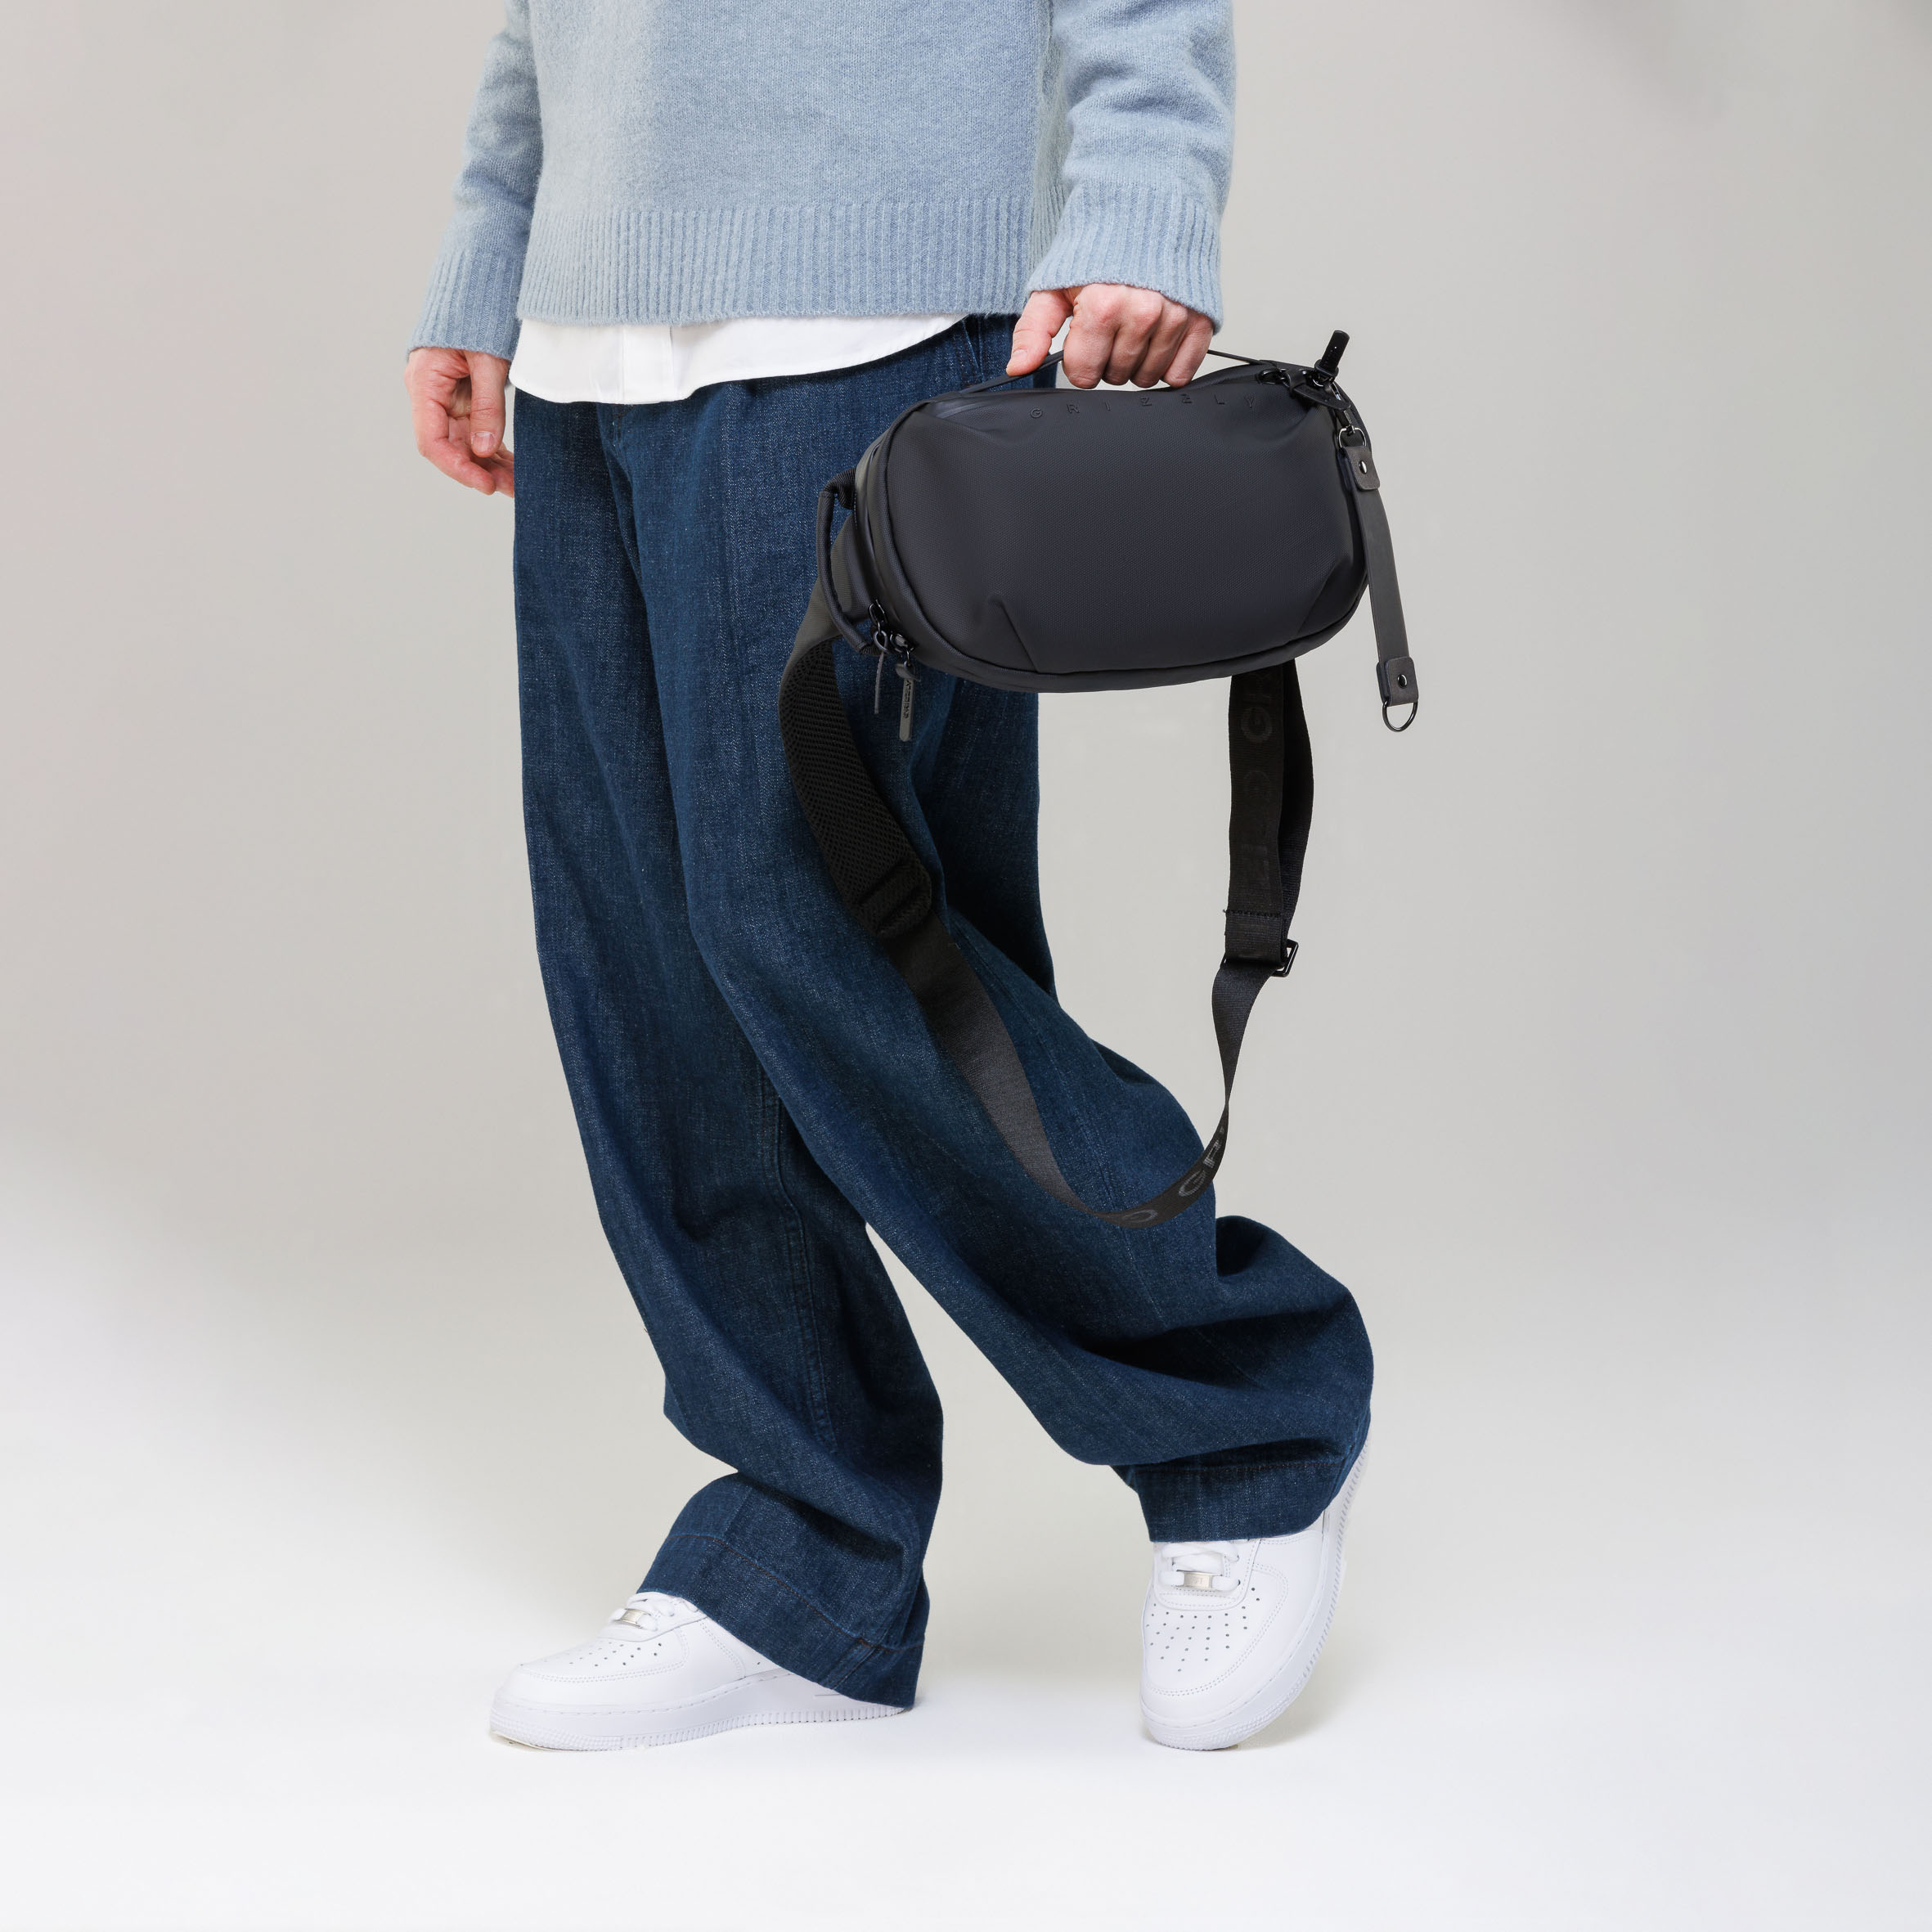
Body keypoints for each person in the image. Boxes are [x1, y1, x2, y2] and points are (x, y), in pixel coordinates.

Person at [406, 0, 1371, 1755]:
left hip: (868, 309)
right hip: (588, 336)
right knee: (650, 967)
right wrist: (492, 247)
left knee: (822, 926)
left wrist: (1141, 187)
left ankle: (1247, 1415)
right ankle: (802, 1556)